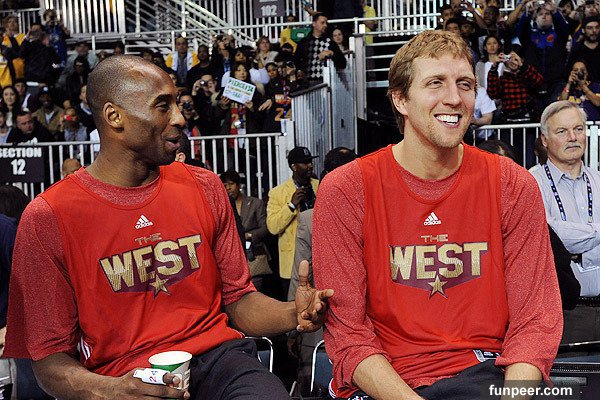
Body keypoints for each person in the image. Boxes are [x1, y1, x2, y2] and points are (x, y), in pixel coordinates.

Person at [3, 55, 333, 400]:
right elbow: (49, 363)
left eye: (177, 103)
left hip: (220, 361)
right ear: (115, 116)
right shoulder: (49, 216)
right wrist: (109, 390)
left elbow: (239, 301)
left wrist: (292, 311)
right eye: (163, 106)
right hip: (120, 379)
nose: (179, 117)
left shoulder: (206, 187)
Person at [313, 30, 562, 400]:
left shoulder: (512, 183)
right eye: (435, 83)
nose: (454, 98)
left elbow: (536, 321)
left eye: (465, 84)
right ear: (400, 99)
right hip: (386, 383)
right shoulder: (346, 189)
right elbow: (349, 335)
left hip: (486, 375)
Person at [530, 100, 600, 345]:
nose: (573, 137)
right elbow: (547, 235)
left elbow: (561, 239)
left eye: (578, 129)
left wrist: (578, 251)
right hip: (563, 314)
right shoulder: (530, 183)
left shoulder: (598, 180)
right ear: (545, 139)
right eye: (562, 131)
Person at [267, 147, 319, 294]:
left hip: (319, 256)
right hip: (292, 262)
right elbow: (272, 227)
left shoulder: (319, 185)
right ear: (294, 167)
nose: (310, 165)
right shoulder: (277, 193)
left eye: (310, 162)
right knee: (293, 302)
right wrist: (291, 205)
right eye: (305, 163)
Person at [220, 170, 272, 292]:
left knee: (255, 290)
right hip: (231, 257)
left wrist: (248, 235)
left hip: (253, 256)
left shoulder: (255, 203)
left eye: (231, 184)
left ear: (238, 185)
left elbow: (265, 228)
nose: (228, 188)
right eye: (225, 185)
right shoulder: (222, 206)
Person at [294, 13, 347, 85]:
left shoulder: (330, 43)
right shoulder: (304, 42)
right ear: (314, 24)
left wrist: (332, 53)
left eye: (326, 23)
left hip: (325, 82)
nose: (325, 25)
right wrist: (299, 71)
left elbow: (343, 63)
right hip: (306, 83)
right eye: (322, 23)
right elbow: (296, 60)